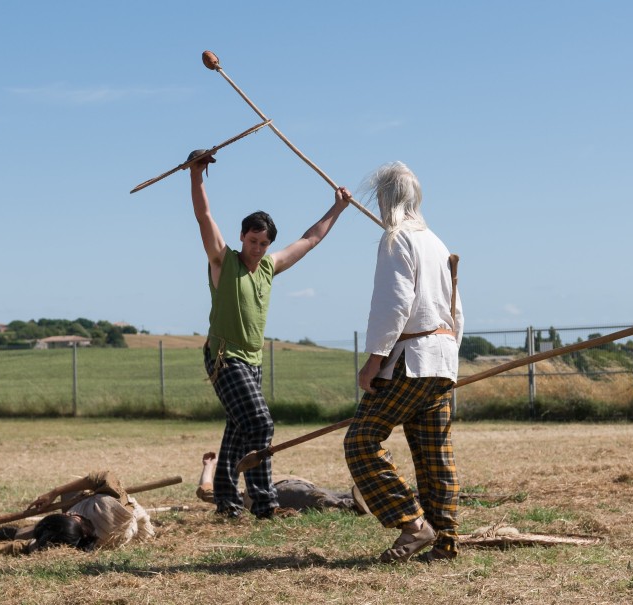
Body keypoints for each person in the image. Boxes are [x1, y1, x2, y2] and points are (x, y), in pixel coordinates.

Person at [189, 150, 351, 520]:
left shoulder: (268, 267)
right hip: (225, 357)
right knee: (260, 423)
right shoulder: (222, 261)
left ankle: (227, 502)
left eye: (263, 244)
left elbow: (310, 240)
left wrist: (337, 208)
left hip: (253, 361)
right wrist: (196, 175)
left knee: (238, 427)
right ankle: (264, 503)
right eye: (252, 241)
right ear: (242, 236)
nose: (257, 249)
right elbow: (204, 217)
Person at [343, 161, 464, 564]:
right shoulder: (438, 243)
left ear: (386, 200)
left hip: (410, 361)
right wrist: (449, 360)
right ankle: (446, 541)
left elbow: (393, 305)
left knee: (361, 442)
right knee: (435, 455)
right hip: (442, 360)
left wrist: (373, 361)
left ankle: (415, 525)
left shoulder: (396, 240)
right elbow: (455, 310)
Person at [0, 471, 154, 556]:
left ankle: (14, 532)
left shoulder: (65, 543)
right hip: (105, 514)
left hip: (119, 525)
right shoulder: (111, 503)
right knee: (74, 490)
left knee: (14, 536)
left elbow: (16, 549)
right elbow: (102, 476)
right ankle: (12, 532)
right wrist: (54, 493)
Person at [195, 452, 368, 515]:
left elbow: (206, 490)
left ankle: (371, 501)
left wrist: (210, 466)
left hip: (297, 485)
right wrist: (209, 466)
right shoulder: (239, 495)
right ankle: (354, 506)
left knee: (333, 495)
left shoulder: (252, 486)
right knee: (320, 499)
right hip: (284, 489)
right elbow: (205, 491)